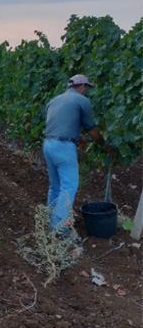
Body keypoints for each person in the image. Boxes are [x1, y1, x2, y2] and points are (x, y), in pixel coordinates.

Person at [44, 74, 114, 235]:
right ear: (83, 87)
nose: (87, 92)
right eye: (87, 89)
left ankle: (51, 222)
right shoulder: (82, 101)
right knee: (69, 186)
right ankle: (60, 227)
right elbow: (91, 129)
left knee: (55, 186)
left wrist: (75, 137)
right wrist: (104, 145)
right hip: (63, 147)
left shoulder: (53, 101)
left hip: (48, 144)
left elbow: (58, 125)